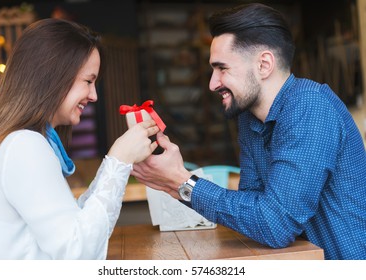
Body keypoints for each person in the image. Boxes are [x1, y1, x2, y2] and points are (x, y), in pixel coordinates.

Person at [132, 3, 366, 260]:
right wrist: (176, 184)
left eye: (222, 68)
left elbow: (274, 224)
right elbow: (253, 214)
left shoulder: (310, 107)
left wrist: (182, 183)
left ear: (264, 65)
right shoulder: (250, 117)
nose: (212, 83)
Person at [0, 18, 159, 259]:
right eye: (88, 81)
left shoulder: (11, 141)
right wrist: (119, 159)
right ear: (52, 76)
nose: (93, 95)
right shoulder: (24, 145)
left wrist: (118, 164)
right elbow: (77, 252)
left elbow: (70, 225)